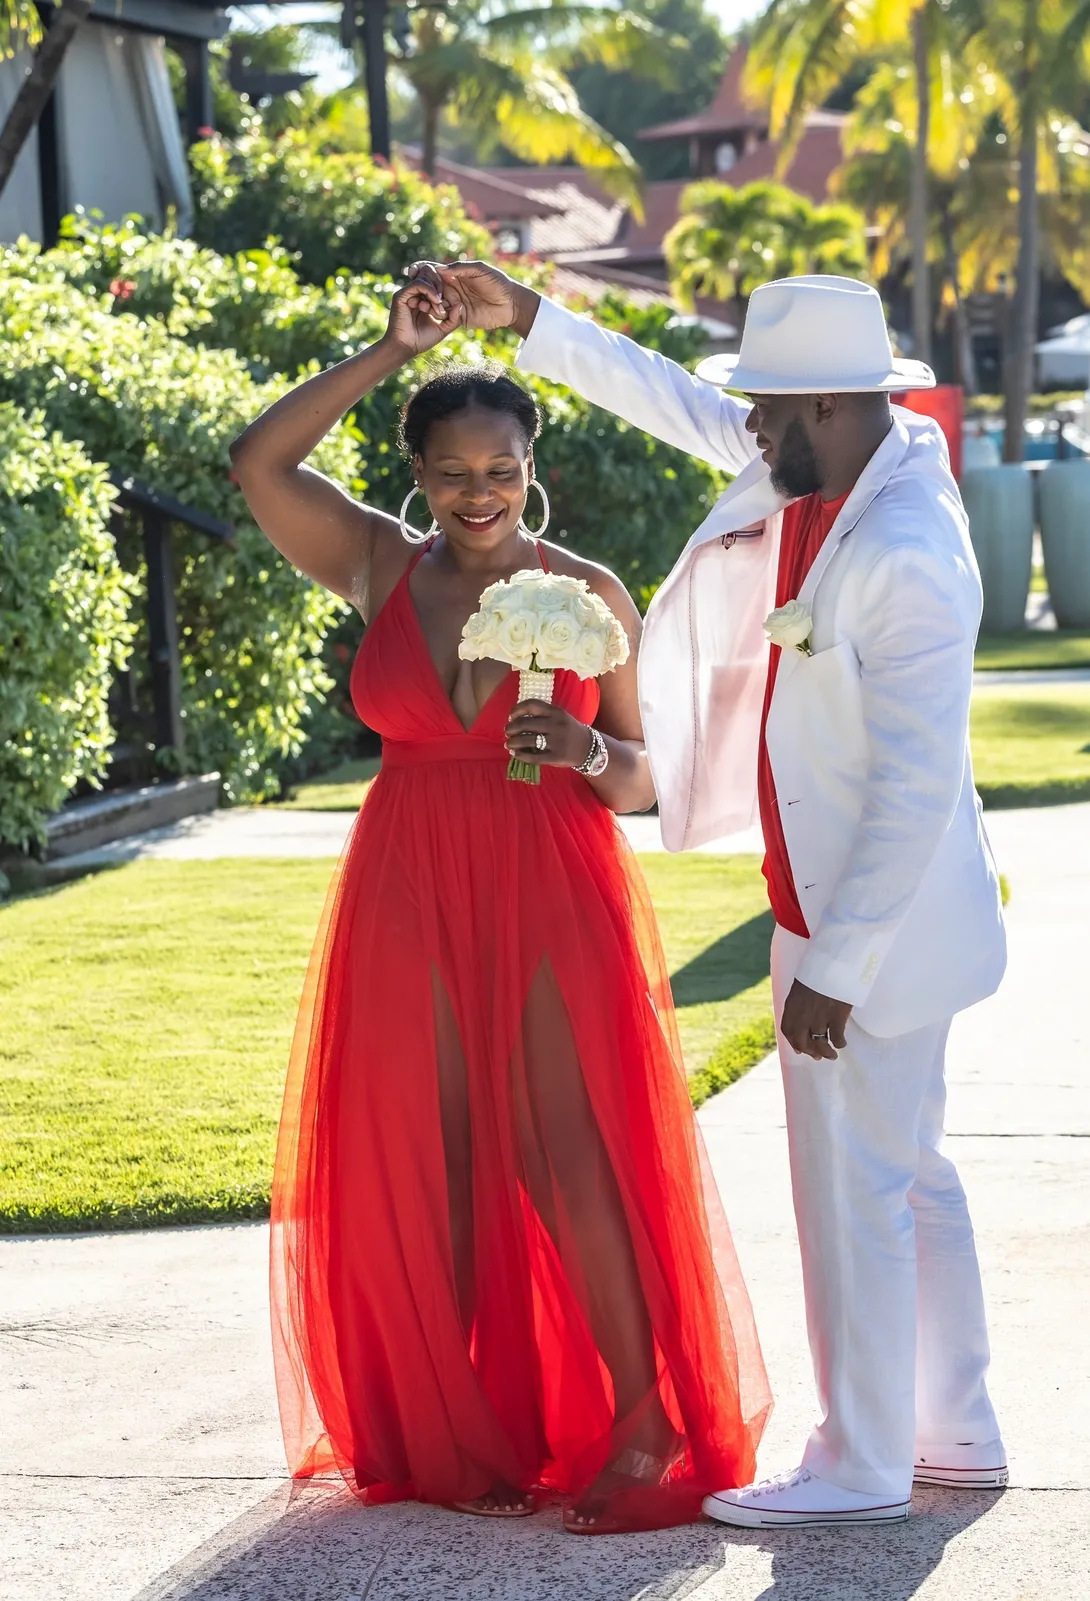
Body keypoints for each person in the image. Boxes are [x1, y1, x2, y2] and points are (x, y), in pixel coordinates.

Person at [414, 260, 1009, 1527]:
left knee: (853, 1195)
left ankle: (856, 1464)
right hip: (849, 908)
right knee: (909, 1172)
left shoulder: (902, 548)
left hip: (869, 927)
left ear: (834, 406)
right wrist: (526, 319)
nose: (745, 427)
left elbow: (908, 787)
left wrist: (830, 972)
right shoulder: (837, 461)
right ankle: (955, 1427)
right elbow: (673, 397)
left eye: (768, 411)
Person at [229, 271, 769, 1535]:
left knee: (561, 1145)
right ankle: (459, 1426)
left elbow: (651, 780)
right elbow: (259, 458)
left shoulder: (589, 591)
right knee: (441, 1149)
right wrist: (385, 346)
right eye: (454, 470)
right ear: (418, 475)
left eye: (502, 469)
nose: (480, 492)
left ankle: (640, 1420)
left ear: (534, 468)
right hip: (408, 877)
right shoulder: (373, 560)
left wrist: (585, 754)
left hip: (548, 877)